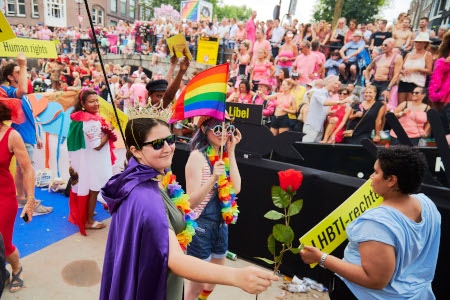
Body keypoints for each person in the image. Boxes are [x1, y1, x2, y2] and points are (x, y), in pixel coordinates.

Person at [100, 117, 277, 300]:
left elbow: (236, 188)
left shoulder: (159, 176)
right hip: (157, 286)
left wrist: (231, 152)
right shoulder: (146, 197)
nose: (168, 148)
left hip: (156, 272)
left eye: (170, 140)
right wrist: (236, 276)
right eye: (158, 144)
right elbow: (175, 258)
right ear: (135, 151)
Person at [300, 146, 441, 300]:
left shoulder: (376, 222)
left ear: (391, 180)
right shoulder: (427, 204)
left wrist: (321, 258)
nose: (371, 177)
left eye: (376, 172)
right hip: (416, 293)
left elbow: (375, 280)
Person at [184, 114, 246, 299]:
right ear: (204, 130)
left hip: (220, 226)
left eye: (228, 129)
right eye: (218, 129)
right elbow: (190, 203)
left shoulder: (223, 156)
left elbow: (236, 188)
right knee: (196, 286)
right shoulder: (197, 157)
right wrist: (213, 179)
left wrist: (232, 150)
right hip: (201, 228)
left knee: (213, 280)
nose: (224, 133)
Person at [0, 53, 52, 216]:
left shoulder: (23, 96)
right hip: (21, 135)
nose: (23, 73)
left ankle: (22, 199)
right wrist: (23, 64)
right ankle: (30, 203)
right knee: (27, 169)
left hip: (27, 135)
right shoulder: (9, 90)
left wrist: (36, 135)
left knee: (21, 170)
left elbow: (30, 117)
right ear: (10, 76)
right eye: (18, 72)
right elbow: (22, 89)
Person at [67, 89, 117, 235]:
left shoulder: (79, 118)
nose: (96, 104)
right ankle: (88, 220)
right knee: (93, 189)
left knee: (88, 188)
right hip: (93, 161)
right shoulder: (91, 122)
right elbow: (97, 145)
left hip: (84, 161)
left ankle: (86, 213)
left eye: (97, 101)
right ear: (83, 104)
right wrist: (110, 131)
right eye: (91, 101)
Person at [0, 97, 35, 293]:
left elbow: (28, 170)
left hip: (4, 197)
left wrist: (30, 201)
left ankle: (16, 268)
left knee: (3, 243)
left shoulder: (12, 136)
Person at [397, 33, 433, 104]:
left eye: (420, 42)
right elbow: (401, 68)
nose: (417, 44)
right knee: (401, 105)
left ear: (425, 44)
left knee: (411, 105)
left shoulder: (428, 54)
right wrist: (402, 71)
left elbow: (429, 71)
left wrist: (415, 69)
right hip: (404, 81)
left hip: (417, 83)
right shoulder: (408, 54)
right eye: (416, 42)